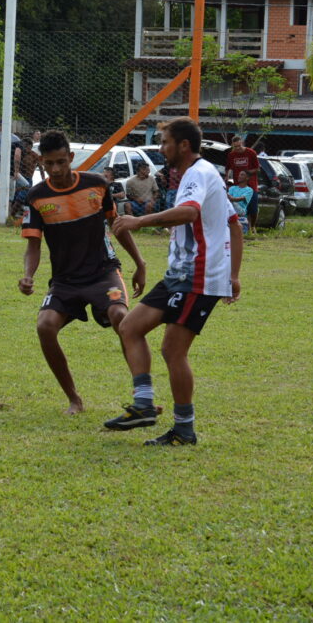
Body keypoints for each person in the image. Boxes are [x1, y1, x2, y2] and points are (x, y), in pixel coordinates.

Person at [107, 117, 243, 446]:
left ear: (183, 145)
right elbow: (234, 223)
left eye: (165, 142)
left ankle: (184, 429)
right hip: (180, 274)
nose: (161, 147)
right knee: (129, 327)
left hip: (198, 276)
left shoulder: (198, 173)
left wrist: (140, 221)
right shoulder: (198, 174)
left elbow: (190, 213)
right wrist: (234, 274)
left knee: (172, 350)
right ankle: (143, 405)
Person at [19, 130, 147, 415]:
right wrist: (28, 275)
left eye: (61, 162)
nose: (56, 169)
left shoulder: (97, 184)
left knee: (121, 317)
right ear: (41, 161)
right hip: (65, 280)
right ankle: (74, 399)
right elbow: (33, 245)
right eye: (49, 163)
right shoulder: (37, 196)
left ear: (71, 157)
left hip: (104, 273)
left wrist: (140, 263)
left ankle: (143, 397)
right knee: (45, 326)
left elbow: (118, 226)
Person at [225, 135, 260, 231]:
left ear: (242, 143)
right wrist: (227, 178)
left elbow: (257, 169)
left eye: (239, 146)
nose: (237, 148)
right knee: (238, 208)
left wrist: (247, 173)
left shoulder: (251, 153)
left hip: (251, 185)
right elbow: (228, 168)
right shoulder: (231, 155)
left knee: (253, 208)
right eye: (235, 146)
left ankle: (252, 227)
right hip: (237, 185)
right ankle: (240, 227)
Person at [0, 123, 22, 214]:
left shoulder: (15, 139)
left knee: (7, 192)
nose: (1, 127)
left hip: (8, 170)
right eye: (0, 125)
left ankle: (6, 213)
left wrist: (16, 170)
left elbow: (18, 155)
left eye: (3, 125)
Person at [228, 169, 253, 234]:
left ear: (247, 178)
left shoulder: (249, 190)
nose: (239, 176)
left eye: (242, 175)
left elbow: (240, 198)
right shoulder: (232, 188)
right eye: (239, 174)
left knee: (231, 202)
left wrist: (230, 198)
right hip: (231, 209)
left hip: (241, 212)